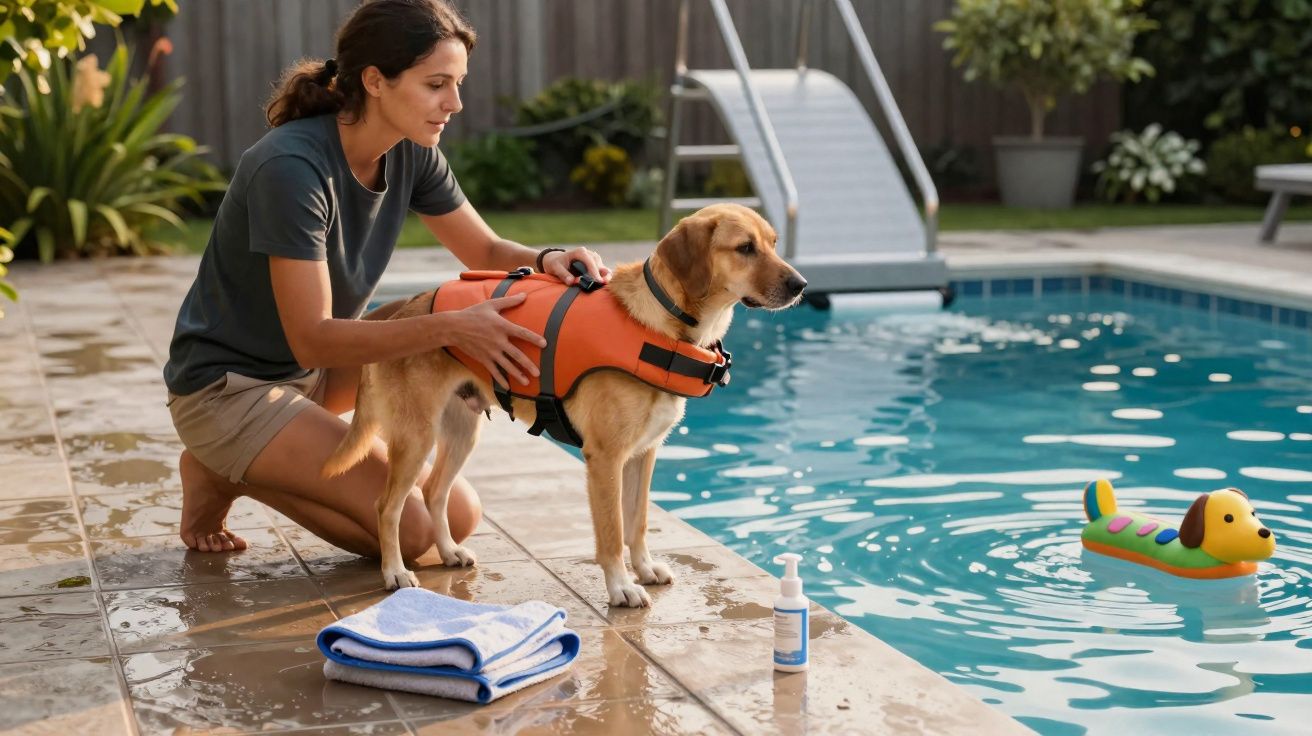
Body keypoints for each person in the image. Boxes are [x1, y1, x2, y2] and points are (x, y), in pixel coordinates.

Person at [162, 0, 609, 558]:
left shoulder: (411, 153)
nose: (455, 103)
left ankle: (253, 457)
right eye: (436, 84)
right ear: (375, 80)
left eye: (458, 83)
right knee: (416, 533)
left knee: (460, 515)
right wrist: (450, 329)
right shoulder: (291, 169)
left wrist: (547, 257)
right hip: (228, 390)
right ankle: (225, 471)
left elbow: (488, 250)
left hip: (314, 379)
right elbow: (314, 336)